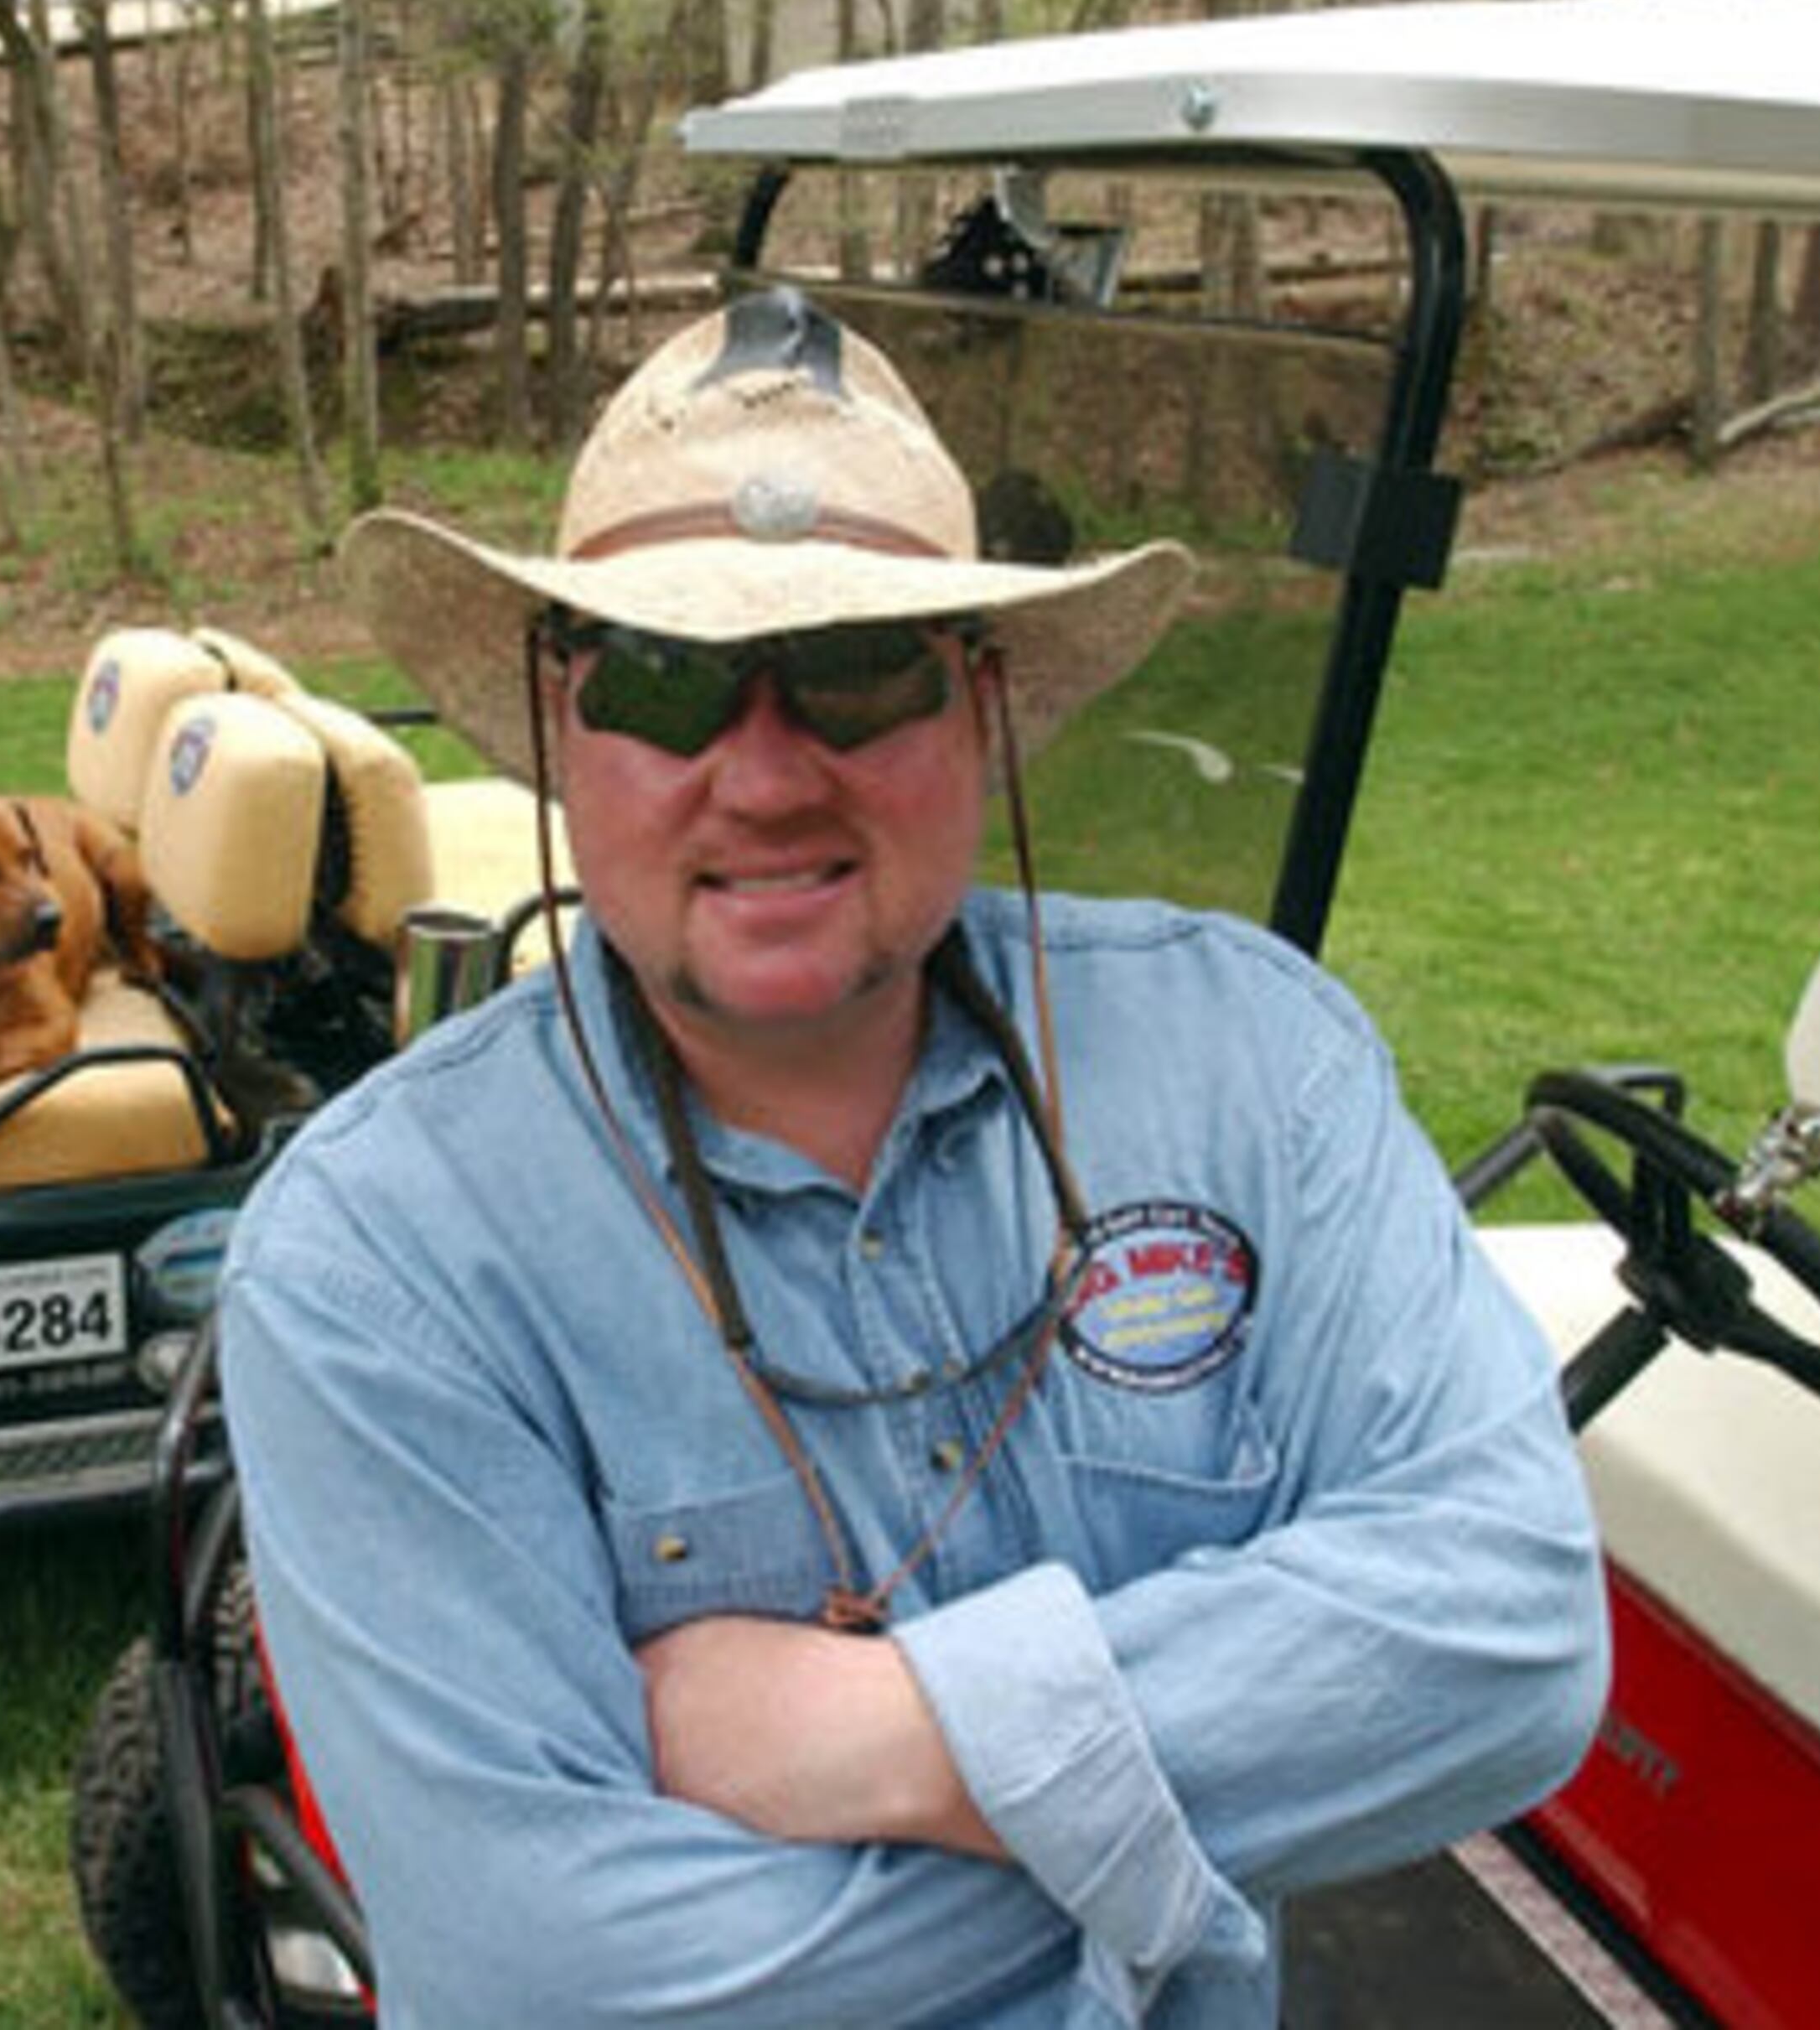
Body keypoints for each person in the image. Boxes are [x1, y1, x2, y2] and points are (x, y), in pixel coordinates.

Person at [218, 286, 1609, 2027]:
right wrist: (1183, 1837)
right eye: (667, 677)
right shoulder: (379, 1260)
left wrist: (873, 1732)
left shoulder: (1255, 1063)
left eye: (861, 669)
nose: (768, 775)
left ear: (983, 707)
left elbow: (1511, 1639)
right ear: (561, 725)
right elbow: (546, 1981)